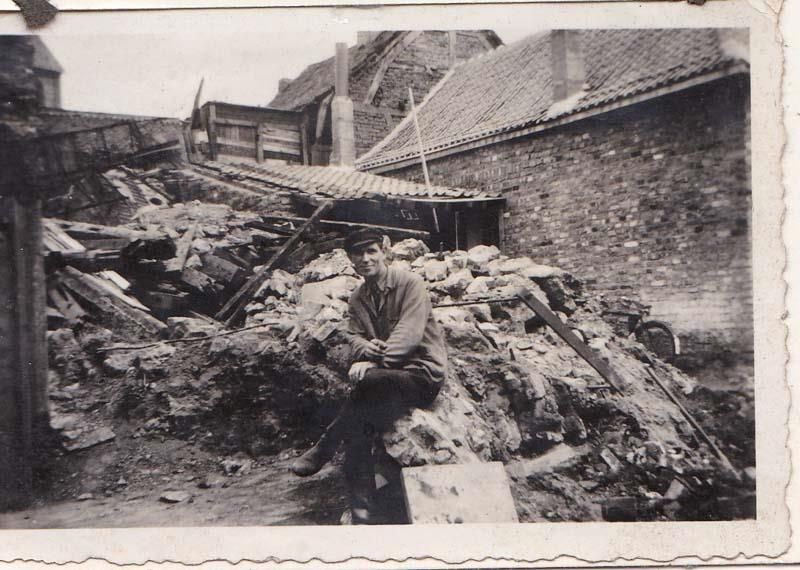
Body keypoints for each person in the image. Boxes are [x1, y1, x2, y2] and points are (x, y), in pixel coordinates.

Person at [291, 228, 447, 523]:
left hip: (420, 376)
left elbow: (409, 336)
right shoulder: (358, 297)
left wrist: (374, 362)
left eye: (371, 251)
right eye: (358, 254)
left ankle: (325, 448)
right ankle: (363, 510)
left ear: (384, 252)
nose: (365, 259)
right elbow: (353, 336)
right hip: (386, 381)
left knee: (368, 382)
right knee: (360, 425)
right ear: (350, 259)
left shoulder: (410, 284)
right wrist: (367, 348)